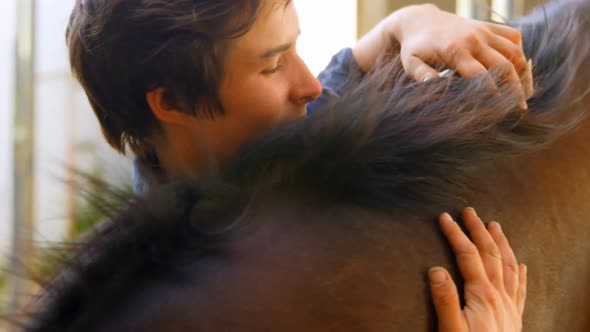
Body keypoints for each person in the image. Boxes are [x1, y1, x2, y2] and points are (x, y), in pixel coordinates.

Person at [65, 0, 532, 330]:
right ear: (173, 101)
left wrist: (416, 21)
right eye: (272, 66)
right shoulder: (167, 304)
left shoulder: (276, 130)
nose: (308, 84)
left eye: (294, 48)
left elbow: (350, 67)